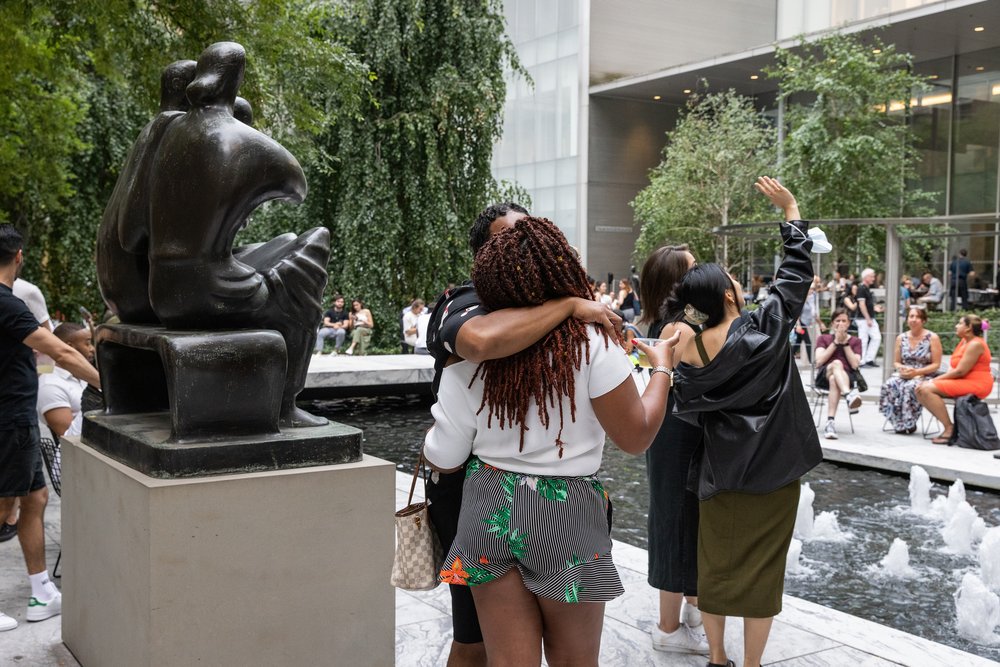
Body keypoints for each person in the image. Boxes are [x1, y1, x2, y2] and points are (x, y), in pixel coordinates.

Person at [424, 216, 679, 666]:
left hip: (487, 506)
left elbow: (443, 457)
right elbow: (636, 436)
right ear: (563, 271)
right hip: (567, 511)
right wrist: (662, 369)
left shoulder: (466, 356)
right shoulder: (591, 343)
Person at [667, 177, 823, 667]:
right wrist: (791, 209)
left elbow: (680, 392)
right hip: (775, 475)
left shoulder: (689, 348)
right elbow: (795, 276)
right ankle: (751, 664)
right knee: (762, 576)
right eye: (733, 280)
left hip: (721, 474)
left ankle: (717, 658)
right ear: (730, 297)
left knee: (716, 570)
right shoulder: (765, 330)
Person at [0, 224, 101, 632]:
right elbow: (59, 349)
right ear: (19, 256)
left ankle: (42, 591)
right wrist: (104, 383)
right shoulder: (7, 304)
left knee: (36, 498)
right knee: (4, 508)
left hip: (15, 415)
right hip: (8, 418)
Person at [637, 244, 708, 654]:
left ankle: (693, 605)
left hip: (681, 428)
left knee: (688, 513)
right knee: (673, 516)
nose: (706, 276)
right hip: (676, 430)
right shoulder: (679, 326)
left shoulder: (682, 319)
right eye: (695, 271)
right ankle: (668, 627)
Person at [916, 314, 993, 444]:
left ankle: (949, 428)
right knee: (919, 389)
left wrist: (933, 380)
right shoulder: (964, 341)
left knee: (926, 389)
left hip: (977, 383)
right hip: (963, 380)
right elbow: (956, 370)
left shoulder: (975, 344)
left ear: (968, 328)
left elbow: (960, 371)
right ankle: (949, 427)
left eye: (960, 323)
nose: (956, 326)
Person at [879, 307, 942, 434]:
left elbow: (936, 364)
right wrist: (902, 369)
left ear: (923, 320)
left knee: (910, 387)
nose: (914, 320)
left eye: (917, 317)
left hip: (924, 373)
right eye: (911, 316)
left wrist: (917, 373)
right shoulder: (901, 338)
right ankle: (898, 421)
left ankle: (910, 421)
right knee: (889, 384)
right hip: (905, 372)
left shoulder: (932, 338)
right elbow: (896, 361)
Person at [36, 323, 96, 438]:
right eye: (87, 343)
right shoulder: (50, 386)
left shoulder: (83, 377)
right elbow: (68, 438)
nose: (92, 349)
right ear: (69, 347)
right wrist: (92, 404)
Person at [814, 309, 863, 439]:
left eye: (843, 321)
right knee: (836, 363)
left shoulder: (855, 341)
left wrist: (845, 343)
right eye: (837, 321)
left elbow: (855, 365)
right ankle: (849, 395)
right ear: (832, 323)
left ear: (848, 323)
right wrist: (836, 342)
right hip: (825, 373)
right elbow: (818, 362)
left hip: (845, 377)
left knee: (834, 380)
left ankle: (830, 422)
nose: (840, 323)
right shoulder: (823, 339)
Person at [855, 268, 880, 367]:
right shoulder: (861, 288)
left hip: (868, 317)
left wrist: (874, 308)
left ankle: (869, 358)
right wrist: (868, 318)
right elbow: (861, 304)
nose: (873, 278)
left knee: (876, 337)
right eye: (872, 276)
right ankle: (862, 361)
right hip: (863, 319)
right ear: (866, 277)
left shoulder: (866, 288)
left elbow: (867, 304)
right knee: (863, 340)